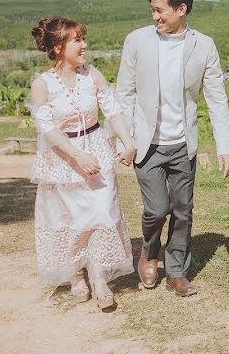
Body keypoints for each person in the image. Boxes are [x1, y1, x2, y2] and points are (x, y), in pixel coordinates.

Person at [115, 0, 229, 297]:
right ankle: (150, 252)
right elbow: (123, 94)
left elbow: (217, 98)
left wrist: (225, 147)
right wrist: (123, 142)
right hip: (146, 144)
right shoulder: (137, 41)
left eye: (160, 11)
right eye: (152, 10)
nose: (154, 17)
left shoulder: (204, 45)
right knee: (156, 209)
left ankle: (177, 270)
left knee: (182, 209)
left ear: (182, 9)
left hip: (183, 145)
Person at [28, 17, 137, 310]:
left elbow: (113, 112)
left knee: (103, 211)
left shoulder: (94, 76)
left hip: (98, 149)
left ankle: (99, 277)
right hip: (63, 158)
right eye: (77, 40)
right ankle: (76, 274)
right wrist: (76, 155)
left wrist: (129, 143)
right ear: (59, 48)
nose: (85, 45)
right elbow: (47, 129)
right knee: (71, 218)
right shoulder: (42, 85)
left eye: (83, 39)